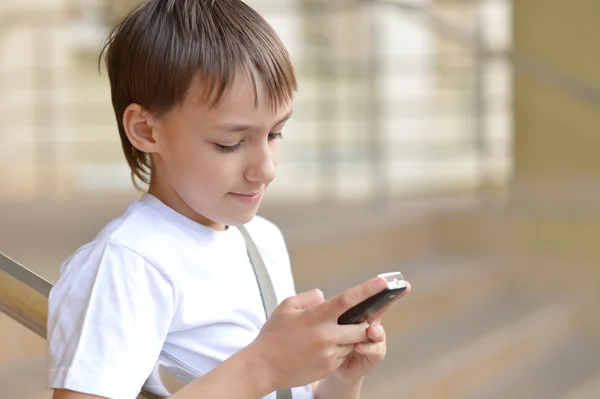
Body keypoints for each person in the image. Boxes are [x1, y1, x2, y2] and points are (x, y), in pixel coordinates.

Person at [46, 1, 412, 398]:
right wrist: (265, 364)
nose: (266, 168)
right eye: (230, 143)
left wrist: (341, 375)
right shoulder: (128, 263)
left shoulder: (260, 238)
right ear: (145, 131)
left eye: (275, 135)